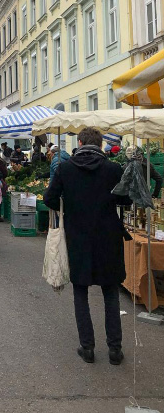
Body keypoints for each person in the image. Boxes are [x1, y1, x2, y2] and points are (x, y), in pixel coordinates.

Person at [43, 127, 132, 366]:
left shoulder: (66, 169)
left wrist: (70, 203)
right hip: (108, 237)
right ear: (101, 145)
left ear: (80, 142)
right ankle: (115, 349)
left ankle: (88, 347)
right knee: (110, 292)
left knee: (80, 292)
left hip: (78, 237)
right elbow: (127, 199)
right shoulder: (113, 169)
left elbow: (49, 198)